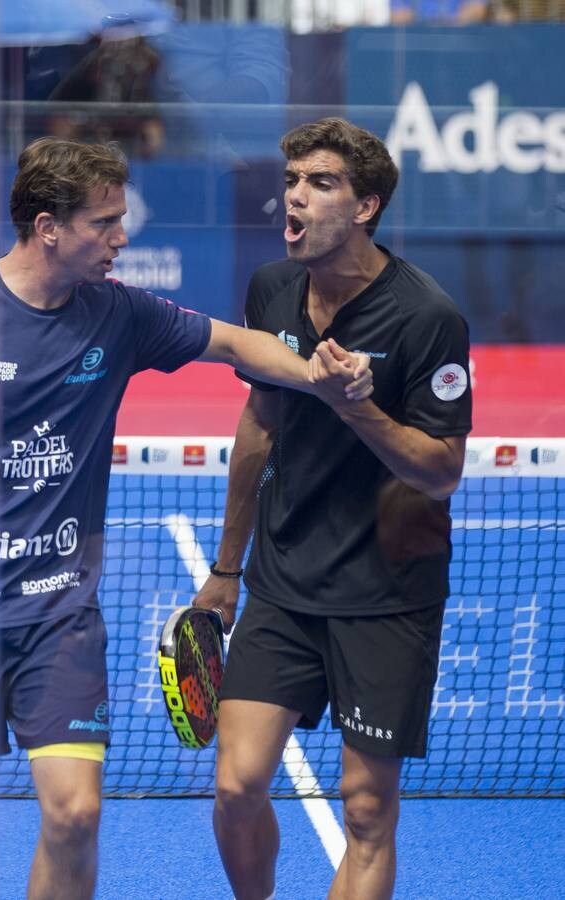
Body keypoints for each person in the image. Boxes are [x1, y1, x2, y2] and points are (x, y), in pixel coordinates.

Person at [0, 137, 374, 899]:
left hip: (59, 614)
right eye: (103, 223)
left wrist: (317, 376)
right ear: (47, 227)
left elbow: (235, 343)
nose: (120, 237)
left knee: (74, 814)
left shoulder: (119, 314)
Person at [194, 118, 472, 900]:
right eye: (291, 181)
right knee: (236, 785)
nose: (294, 197)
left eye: (320, 183)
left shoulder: (426, 317)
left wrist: (356, 406)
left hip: (387, 593)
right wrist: (225, 570)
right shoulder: (271, 289)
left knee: (365, 808)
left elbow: (442, 470)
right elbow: (260, 422)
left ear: (365, 207)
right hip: (283, 580)